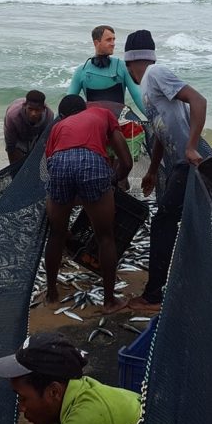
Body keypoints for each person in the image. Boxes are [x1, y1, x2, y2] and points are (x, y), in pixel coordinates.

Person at [122, 30, 207, 313]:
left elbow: (199, 100)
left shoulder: (156, 73)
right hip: (176, 166)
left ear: (130, 62)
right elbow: (160, 132)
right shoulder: (147, 88)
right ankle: (182, 282)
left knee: (163, 223)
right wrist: (153, 170)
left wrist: (192, 146)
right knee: (174, 221)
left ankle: (153, 295)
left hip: (188, 164)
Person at [0, 332, 140, 424]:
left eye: (23, 398)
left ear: (54, 392)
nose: (21, 408)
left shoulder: (85, 421)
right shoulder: (66, 398)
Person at [44, 95, 132, 313]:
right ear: (84, 108)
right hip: (92, 161)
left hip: (59, 162)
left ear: (63, 116)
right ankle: (109, 301)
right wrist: (111, 182)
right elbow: (126, 162)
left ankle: (51, 293)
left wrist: (72, 200)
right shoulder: (103, 113)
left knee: (56, 234)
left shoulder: (58, 126)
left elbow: (51, 165)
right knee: (105, 236)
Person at [68, 25, 147, 116]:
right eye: (109, 40)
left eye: (114, 39)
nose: (113, 43)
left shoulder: (121, 67)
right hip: (95, 122)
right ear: (96, 43)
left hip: (118, 122)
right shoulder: (82, 71)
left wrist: (154, 119)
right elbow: (68, 103)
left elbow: (137, 96)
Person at [4, 89, 54, 164]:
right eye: (30, 109)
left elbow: (42, 143)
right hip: (18, 130)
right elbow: (10, 146)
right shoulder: (12, 116)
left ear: (43, 109)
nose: (33, 114)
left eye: (37, 110)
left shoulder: (49, 116)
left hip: (35, 133)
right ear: (24, 106)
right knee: (17, 157)